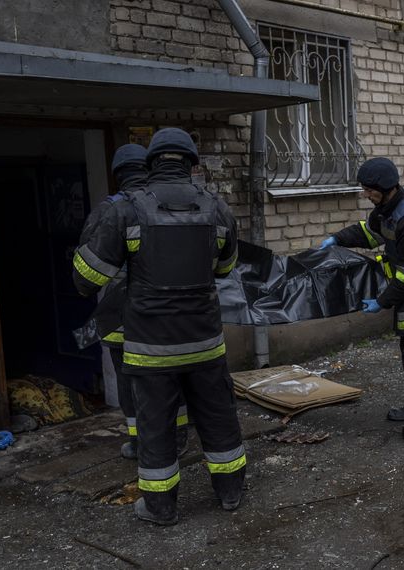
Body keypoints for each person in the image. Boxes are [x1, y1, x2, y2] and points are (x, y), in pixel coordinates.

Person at [72, 128, 246, 525]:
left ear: (152, 164)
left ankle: (160, 507)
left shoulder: (125, 210)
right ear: (191, 164)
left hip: (150, 348)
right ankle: (231, 492)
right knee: (219, 416)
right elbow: (225, 267)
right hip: (204, 341)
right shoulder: (217, 207)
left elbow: (87, 280)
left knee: (155, 428)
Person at [320, 157, 404, 440]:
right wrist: (337, 239)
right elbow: (368, 232)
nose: (366, 194)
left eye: (369, 189)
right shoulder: (386, 210)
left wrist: (382, 301)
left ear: (385, 187)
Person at [77, 143, 188, 461]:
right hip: (170, 315)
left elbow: (87, 271)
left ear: (117, 175)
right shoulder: (168, 204)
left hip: (120, 318)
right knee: (171, 377)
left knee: (129, 383)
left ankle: (141, 442)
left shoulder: (109, 209)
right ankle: (178, 435)